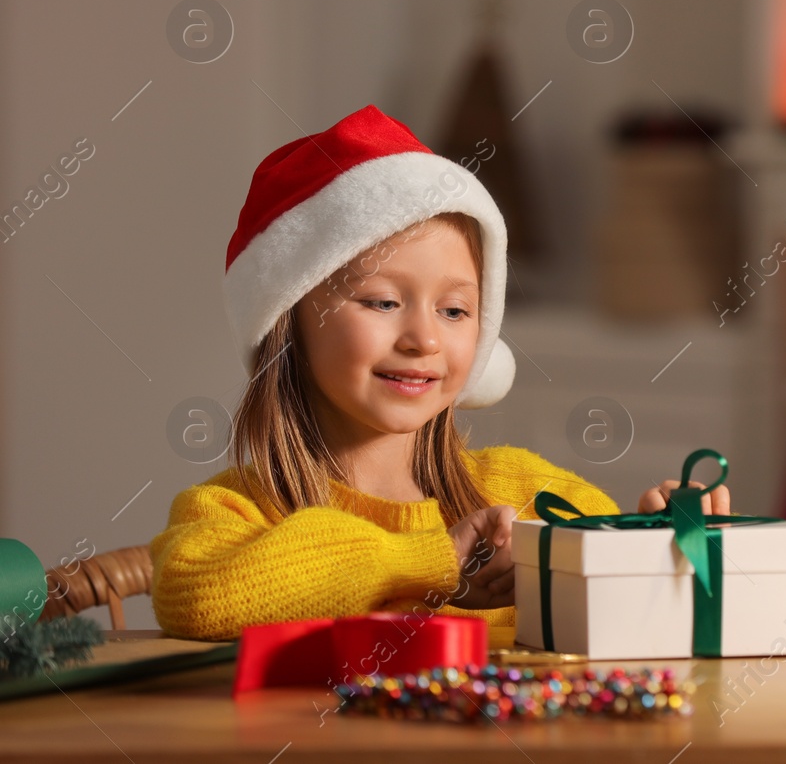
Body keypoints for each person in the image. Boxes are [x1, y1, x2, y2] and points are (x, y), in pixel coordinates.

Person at [151, 105, 725, 640]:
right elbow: (196, 599)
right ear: (290, 322)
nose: (423, 339)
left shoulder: (522, 492)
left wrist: (665, 546)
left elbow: (640, 615)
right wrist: (430, 561)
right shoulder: (237, 511)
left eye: (453, 311)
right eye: (380, 302)